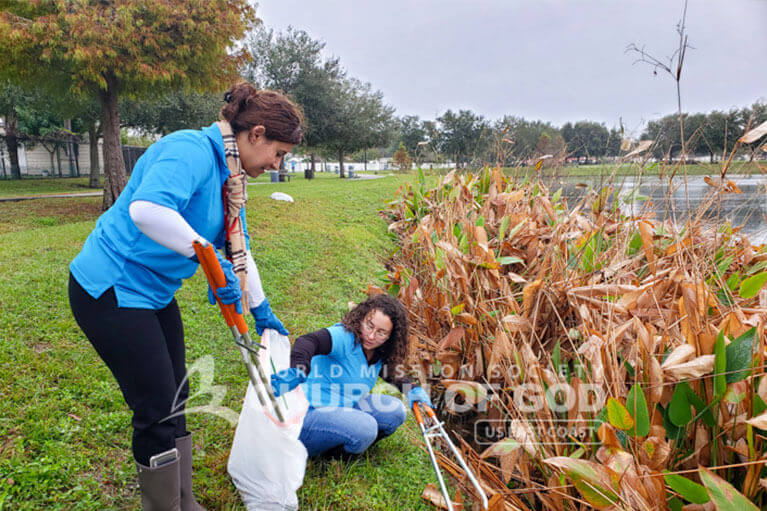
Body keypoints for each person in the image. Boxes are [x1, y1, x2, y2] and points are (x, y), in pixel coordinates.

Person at [68, 82, 302, 510]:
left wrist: (260, 308)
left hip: (154, 292)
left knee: (178, 392)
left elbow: (239, 247)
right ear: (257, 134)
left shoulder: (230, 176)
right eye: (279, 152)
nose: (276, 163)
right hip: (112, 287)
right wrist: (209, 256)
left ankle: (184, 500)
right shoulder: (191, 151)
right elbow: (147, 210)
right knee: (156, 406)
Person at [271, 293, 433, 457]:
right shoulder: (344, 337)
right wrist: (298, 369)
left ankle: (346, 447)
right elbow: (308, 341)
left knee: (396, 411)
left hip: (344, 407)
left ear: (391, 336)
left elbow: (391, 373)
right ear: (362, 318)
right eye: (369, 325)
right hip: (308, 413)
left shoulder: (379, 352)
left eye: (381, 332)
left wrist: (411, 389)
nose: (371, 336)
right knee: (366, 427)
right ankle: (327, 454)